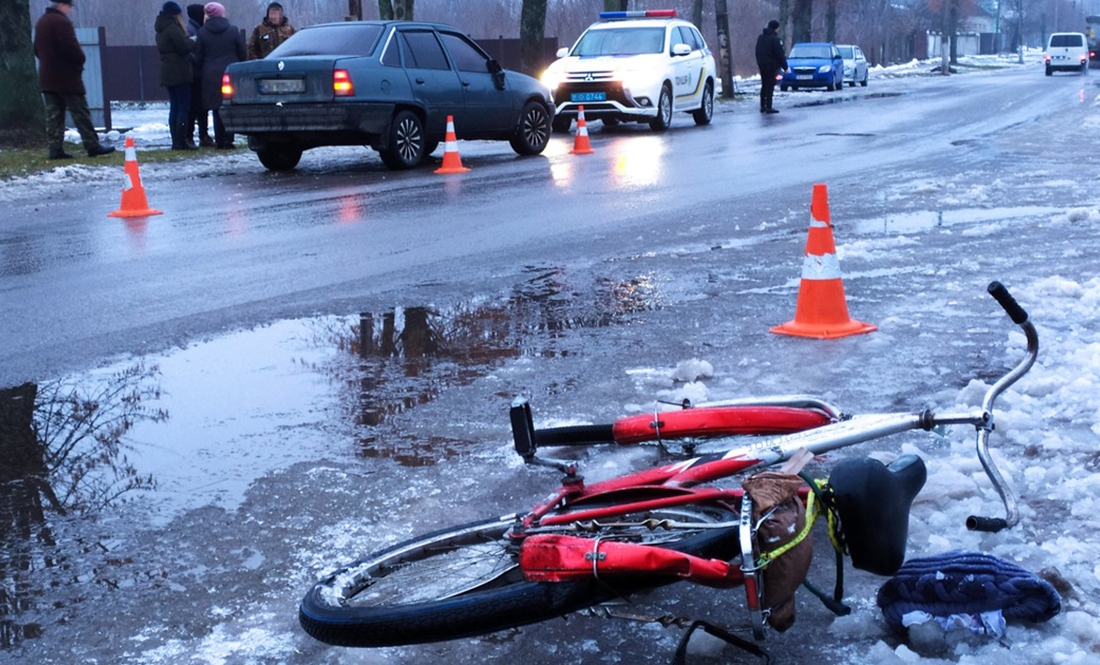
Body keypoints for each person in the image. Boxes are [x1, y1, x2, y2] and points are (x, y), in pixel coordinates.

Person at [33, 0, 115, 159]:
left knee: (54, 116)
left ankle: (55, 149)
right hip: (67, 78)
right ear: (63, 5)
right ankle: (92, 145)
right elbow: (72, 49)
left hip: (48, 77)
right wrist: (80, 61)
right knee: (80, 113)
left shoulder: (41, 22)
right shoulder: (62, 22)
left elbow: (36, 49)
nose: (70, 10)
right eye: (69, 7)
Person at [193, 2, 245, 149]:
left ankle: (219, 140)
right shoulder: (233, 30)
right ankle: (229, 140)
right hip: (229, 72)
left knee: (216, 108)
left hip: (210, 75)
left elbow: (198, 57)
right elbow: (242, 52)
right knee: (229, 106)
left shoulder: (202, 32)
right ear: (222, 14)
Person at [156, 2, 196, 150]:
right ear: (175, 14)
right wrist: (192, 42)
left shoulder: (161, 29)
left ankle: (176, 141)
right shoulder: (173, 29)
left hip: (168, 72)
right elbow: (183, 47)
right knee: (183, 107)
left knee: (175, 107)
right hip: (179, 71)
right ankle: (181, 141)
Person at [185, 3, 214, 147]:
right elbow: (189, 51)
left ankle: (203, 135)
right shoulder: (191, 31)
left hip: (199, 74)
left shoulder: (196, 29)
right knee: (195, 107)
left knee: (202, 107)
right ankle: (190, 136)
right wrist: (198, 61)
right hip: (195, 75)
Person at [755, 20, 788, 115]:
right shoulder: (775, 40)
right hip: (772, 65)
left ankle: (762, 106)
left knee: (764, 84)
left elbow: (757, 51)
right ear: (775, 28)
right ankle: (768, 106)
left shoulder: (760, 38)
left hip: (762, 64)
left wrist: (759, 62)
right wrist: (785, 67)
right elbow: (779, 55)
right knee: (770, 85)